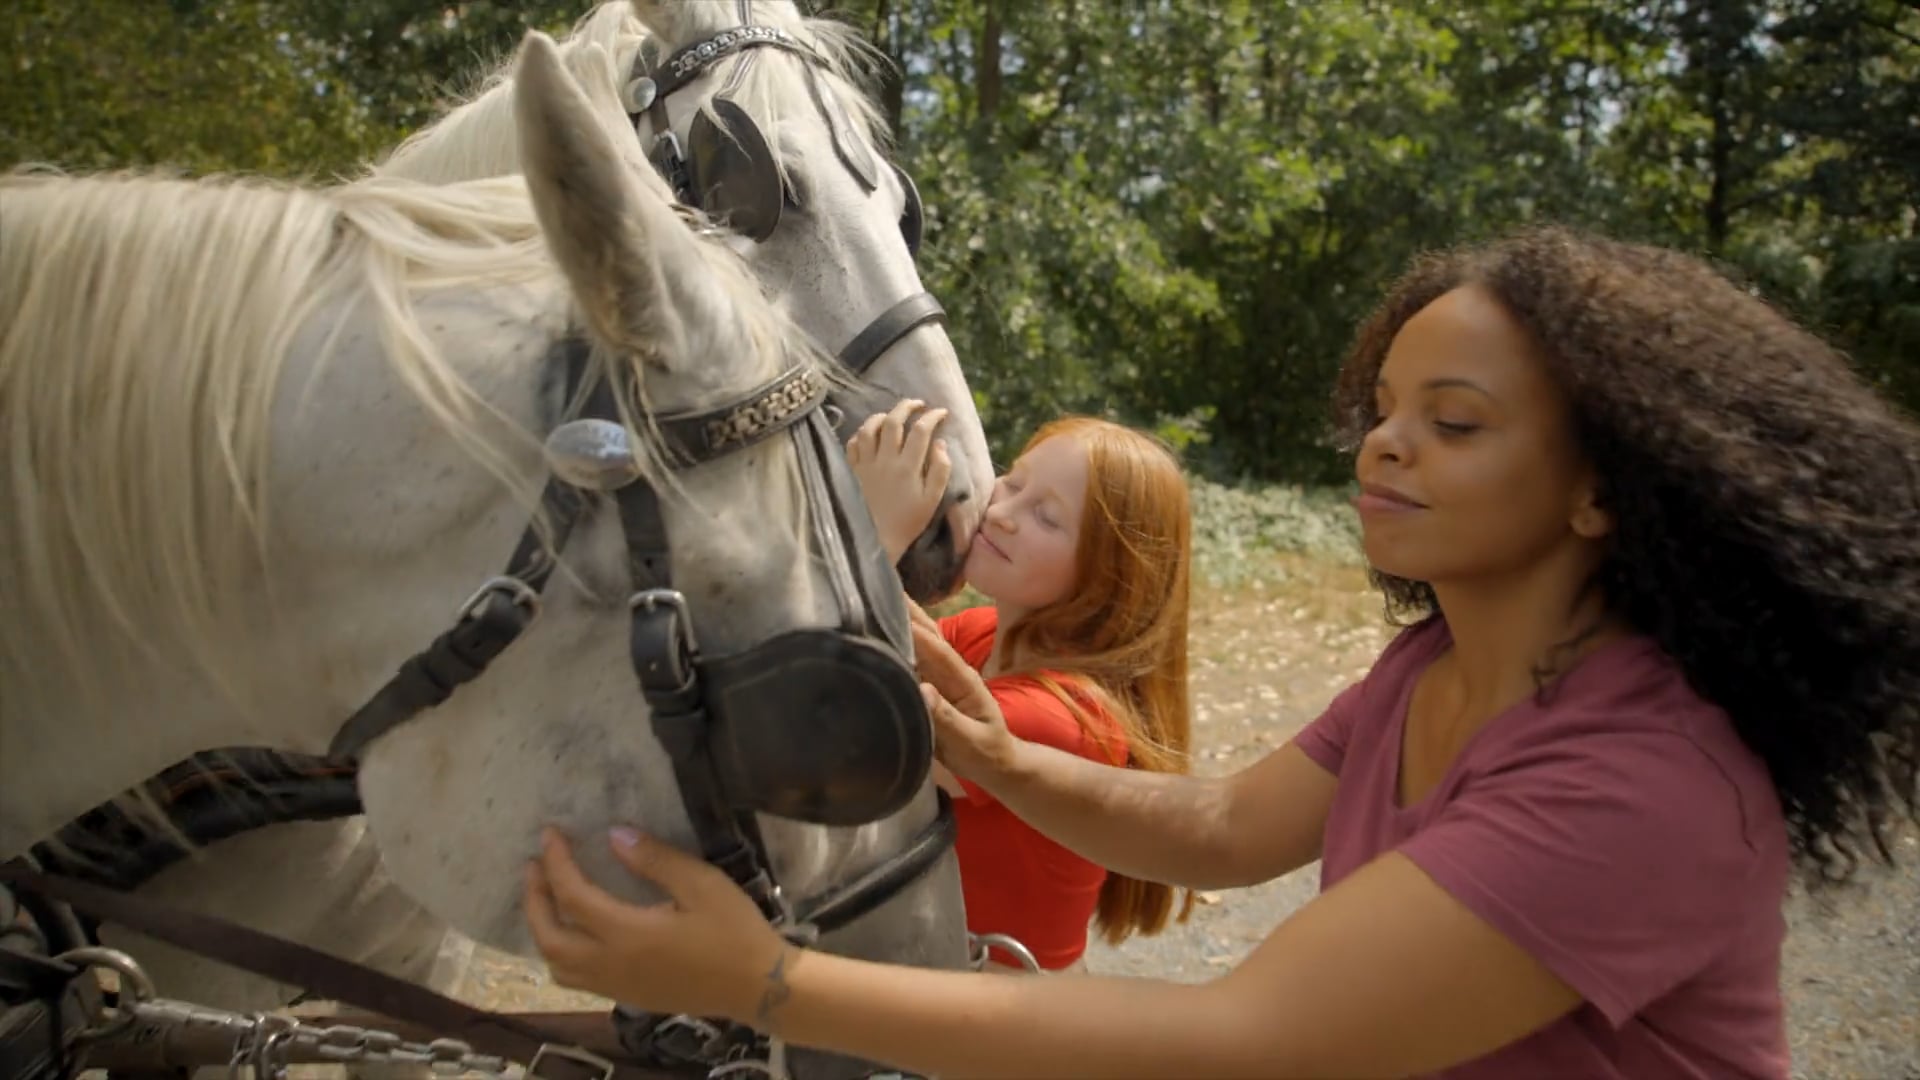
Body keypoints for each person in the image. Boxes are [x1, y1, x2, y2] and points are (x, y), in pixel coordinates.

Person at [521, 226, 1920, 1079]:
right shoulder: (1426, 676)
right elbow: (1223, 827)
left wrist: (763, 984)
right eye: (1383, 409)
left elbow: (1243, 1042)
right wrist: (994, 754)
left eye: (1456, 421)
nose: (1385, 442)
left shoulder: (1642, 781)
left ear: (1605, 485)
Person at [837, 402, 1196, 972]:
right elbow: (861, 647)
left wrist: (870, 533)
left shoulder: (1063, 716)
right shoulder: (981, 635)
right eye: (1013, 481)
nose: (1002, 512)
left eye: (1047, 517)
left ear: (1112, 573)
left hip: (996, 1026)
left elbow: (844, 738)